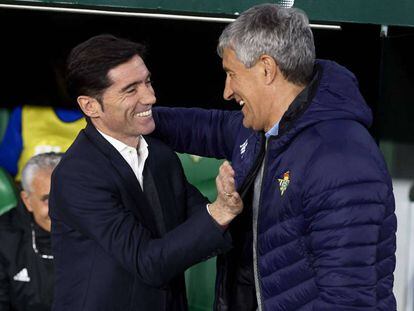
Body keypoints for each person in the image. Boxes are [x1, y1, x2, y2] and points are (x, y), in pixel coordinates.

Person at [152, 4, 397, 310]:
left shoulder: (340, 158)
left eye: (232, 74)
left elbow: (347, 300)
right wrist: (138, 117)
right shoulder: (260, 130)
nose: (227, 91)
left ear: (266, 68)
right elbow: (204, 127)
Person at [49, 34, 243, 311]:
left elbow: (203, 223)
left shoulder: (160, 155)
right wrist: (220, 212)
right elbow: (147, 262)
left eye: (147, 82)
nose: (150, 97)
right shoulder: (78, 175)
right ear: (90, 106)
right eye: (131, 90)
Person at [0, 152, 62, 311]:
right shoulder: (4, 238)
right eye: (47, 199)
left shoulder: (103, 231)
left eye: (66, 195)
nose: (59, 209)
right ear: (27, 201)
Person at [0, 105, 85, 181]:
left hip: (78, 194)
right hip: (27, 192)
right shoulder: (26, 112)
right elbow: (5, 170)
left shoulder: (96, 120)